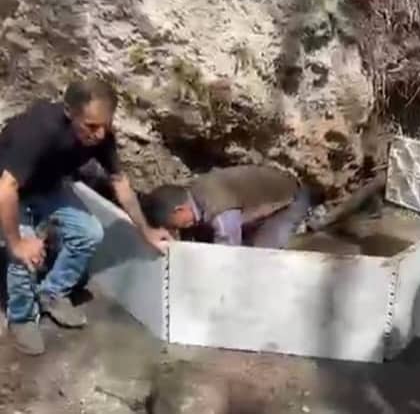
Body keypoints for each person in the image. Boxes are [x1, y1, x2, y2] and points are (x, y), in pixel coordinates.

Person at [0, 78, 173, 355]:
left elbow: (120, 182)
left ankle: (52, 293)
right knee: (25, 256)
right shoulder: (39, 130)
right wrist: (17, 243)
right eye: (91, 126)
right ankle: (21, 318)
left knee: (89, 232)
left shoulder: (101, 135)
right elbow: (6, 189)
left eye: (106, 125)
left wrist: (146, 231)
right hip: (8, 189)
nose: (99, 135)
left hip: (48, 185)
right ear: (69, 113)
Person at [140, 165, 312, 249]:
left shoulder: (219, 211)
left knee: (261, 255)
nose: (176, 229)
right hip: (254, 202)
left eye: (173, 225)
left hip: (290, 200)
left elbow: (227, 253)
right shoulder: (193, 191)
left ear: (179, 210)